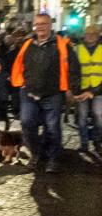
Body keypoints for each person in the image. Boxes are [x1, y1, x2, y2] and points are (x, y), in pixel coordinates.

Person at [11, 13, 80, 173]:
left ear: (50, 25)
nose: (40, 26)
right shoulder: (28, 44)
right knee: (27, 124)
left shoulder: (62, 45)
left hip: (52, 94)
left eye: (44, 23)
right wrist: (20, 84)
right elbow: (19, 65)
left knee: (52, 128)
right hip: (29, 92)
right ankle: (36, 153)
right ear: (34, 26)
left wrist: (71, 89)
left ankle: (53, 159)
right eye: (38, 24)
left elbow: (74, 68)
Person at [74, 26, 102, 154]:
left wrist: (95, 91)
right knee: (82, 117)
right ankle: (84, 143)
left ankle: (97, 140)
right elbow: (72, 70)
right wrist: (75, 89)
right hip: (82, 89)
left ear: (98, 34)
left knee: (99, 115)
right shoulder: (77, 49)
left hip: (99, 89)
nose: (90, 35)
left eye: (93, 33)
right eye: (87, 33)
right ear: (84, 35)